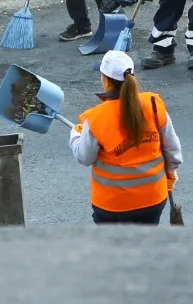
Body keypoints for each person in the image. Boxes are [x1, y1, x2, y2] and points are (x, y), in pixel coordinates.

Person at [69, 50, 183, 224]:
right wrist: (170, 177)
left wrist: (76, 135)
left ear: (105, 81)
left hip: (112, 206)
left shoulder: (96, 118)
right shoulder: (153, 105)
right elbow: (173, 152)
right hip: (153, 199)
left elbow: (84, 157)